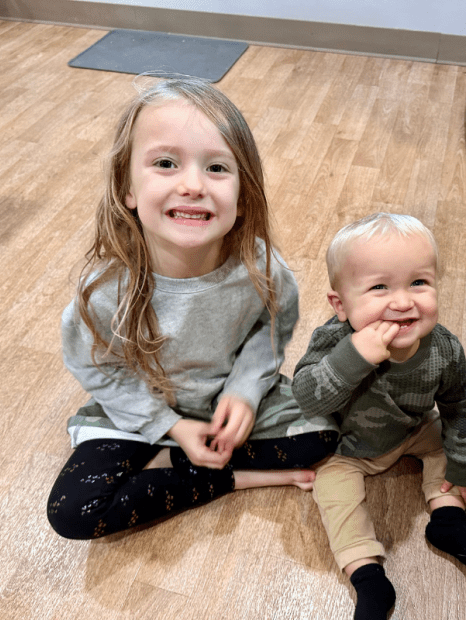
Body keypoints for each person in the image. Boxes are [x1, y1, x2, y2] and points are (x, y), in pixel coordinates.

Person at [47, 76, 338, 540]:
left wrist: (243, 392)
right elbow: (98, 370)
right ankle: (229, 478)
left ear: (243, 195)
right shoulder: (103, 289)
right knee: (75, 512)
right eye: (166, 163)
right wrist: (169, 426)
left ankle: (176, 465)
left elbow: (272, 329)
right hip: (141, 416)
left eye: (217, 168)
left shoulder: (262, 268)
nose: (192, 185)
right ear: (128, 187)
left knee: (326, 434)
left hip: (223, 406)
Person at [292, 213, 466, 620]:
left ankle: (447, 518)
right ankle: (367, 576)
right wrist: (353, 358)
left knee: (445, 447)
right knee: (331, 488)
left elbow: (460, 405)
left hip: (413, 429)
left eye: (419, 283)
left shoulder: (443, 349)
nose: (403, 302)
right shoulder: (333, 340)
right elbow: (307, 398)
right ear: (341, 305)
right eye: (379, 287)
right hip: (348, 447)